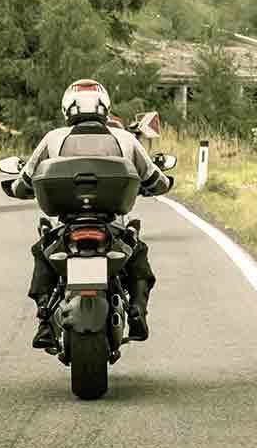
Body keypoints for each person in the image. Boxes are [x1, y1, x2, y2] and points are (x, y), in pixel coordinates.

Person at [10, 79, 172, 351]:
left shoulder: (53, 138)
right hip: (110, 225)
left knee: (43, 253)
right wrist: (159, 183)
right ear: (105, 108)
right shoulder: (124, 138)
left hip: (69, 225)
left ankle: (44, 319)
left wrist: (17, 188)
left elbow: (24, 180)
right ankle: (137, 310)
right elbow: (156, 180)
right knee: (137, 254)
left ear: (67, 109)